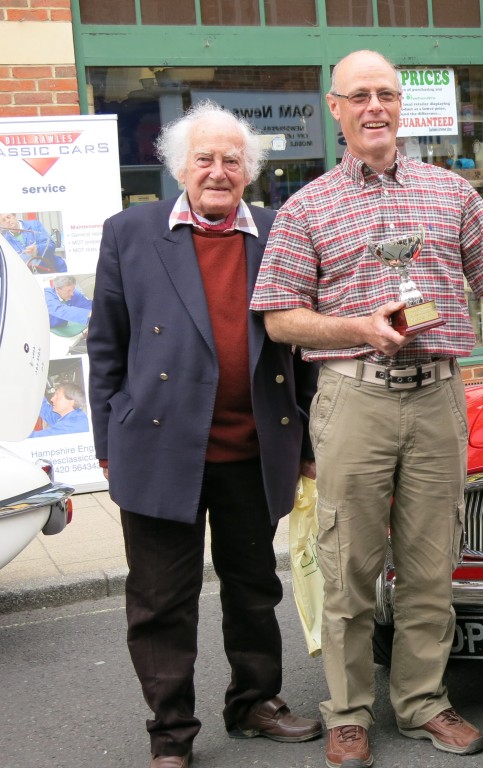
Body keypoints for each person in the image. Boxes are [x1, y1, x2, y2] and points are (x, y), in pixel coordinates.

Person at [250, 49, 483, 768]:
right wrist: (356, 327)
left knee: (433, 564)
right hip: (353, 397)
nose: (375, 107)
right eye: (359, 96)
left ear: (402, 106)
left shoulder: (452, 193)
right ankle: (346, 712)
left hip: (437, 395)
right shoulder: (305, 208)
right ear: (334, 108)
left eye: (387, 95)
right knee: (349, 569)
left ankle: (424, 703)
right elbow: (279, 318)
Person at [87, 101, 322, 768]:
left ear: (249, 170)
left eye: (232, 160)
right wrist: (109, 441)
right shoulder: (130, 231)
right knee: (161, 600)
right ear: (180, 167)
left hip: (254, 447)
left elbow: (301, 350)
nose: (218, 171)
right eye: (205, 159)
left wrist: (305, 445)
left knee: (255, 587)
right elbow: (105, 347)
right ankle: (170, 733)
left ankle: (254, 703)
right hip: (158, 448)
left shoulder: (281, 232)